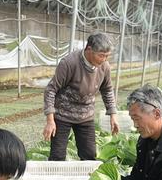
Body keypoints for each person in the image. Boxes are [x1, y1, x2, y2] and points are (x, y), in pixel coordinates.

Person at [43, 32, 119, 161]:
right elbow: (51, 90)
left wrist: (113, 114)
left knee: (89, 155)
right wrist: (50, 121)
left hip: (86, 116)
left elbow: (107, 90)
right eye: (101, 56)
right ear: (89, 49)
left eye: (107, 56)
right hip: (63, 115)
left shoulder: (104, 67)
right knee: (57, 156)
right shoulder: (69, 63)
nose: (104, 60)